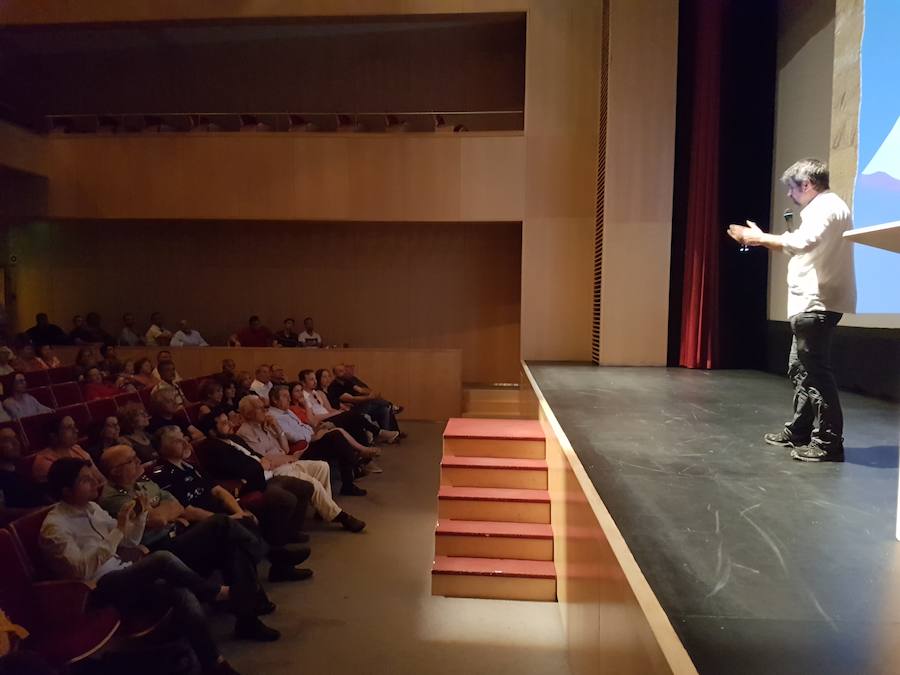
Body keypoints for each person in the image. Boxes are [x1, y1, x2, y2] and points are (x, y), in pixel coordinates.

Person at [39, 458, 243, 675]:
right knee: (162, 558)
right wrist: (118, 530)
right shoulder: (55, 527)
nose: (94, 482)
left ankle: (213, 662)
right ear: (66, 491)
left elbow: (130, 542)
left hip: (124, 572)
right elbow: (81, 570)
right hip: (96, 589)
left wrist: (139, 515)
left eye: (91, 477)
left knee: (181, 592)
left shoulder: (93, 508)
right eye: (84, 480)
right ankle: (213, 592)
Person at [728, 158, 856, 463]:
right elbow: (802, 244)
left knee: (815, 374)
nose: (789, 194)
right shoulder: (824, 208)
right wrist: (762, 239)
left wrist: (759, 238)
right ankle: (799, 431)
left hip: (817, 302)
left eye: (792, 188)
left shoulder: (826, 207)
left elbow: (802, 242)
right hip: (812, 303)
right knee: (800, 370)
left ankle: (828, 442)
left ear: (807, 184)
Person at [97, 445, 282, 641]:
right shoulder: (112, 498)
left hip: (177, 535)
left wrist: (164, 511)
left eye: (136, 457)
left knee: (232, 546)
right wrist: (164, 511)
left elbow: (177, 505)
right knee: (221, 523)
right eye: (131, 460)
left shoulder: (142, 481)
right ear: (115, 471)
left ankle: (248, 620)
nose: (138, 461)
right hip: (156, 552)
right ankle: (271, 559)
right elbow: (157, 519)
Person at [150, 426, 312, 581]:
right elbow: (186, 510)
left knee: (246, 519)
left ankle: (275, 566)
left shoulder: (189, 466)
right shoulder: (162, 473)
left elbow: (218, 491)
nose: (185, 443)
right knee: (237, 526)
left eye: (183, 438)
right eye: (177, 441)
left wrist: (238, 512)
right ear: (162, 449)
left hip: (216, 512)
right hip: (199, 522)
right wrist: (227, 519)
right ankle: (277, 559)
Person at [236, 395, 365, 532]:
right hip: (274, 470)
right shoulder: (245, 432)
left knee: (322, 466)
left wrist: (278, 429)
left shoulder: (265, 426)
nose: (265, 411)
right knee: (312, 482)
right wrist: (288, 457)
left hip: (286, 461)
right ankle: (339, 516)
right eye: (260, 408)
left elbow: (285, 448)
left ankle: (323, 509)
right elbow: (264, 458)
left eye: (265, 408)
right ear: (249, 413)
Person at [196, 411, 314, 547]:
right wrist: (260, 465)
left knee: (306, 487)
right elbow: (237, 468)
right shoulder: (211, 448)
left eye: (228, 420)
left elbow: (254, 454)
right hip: (252, 484)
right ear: (212, 431)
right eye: (224, 423)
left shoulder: (234, 438)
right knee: (286, 499)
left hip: (267, 473)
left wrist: (263, 461)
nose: (230, 424)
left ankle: (291, 532)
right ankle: (277, 545)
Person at [268, 384, 372, 494]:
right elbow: (293, 437)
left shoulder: (288, 411)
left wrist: (317, 431)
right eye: (285, 396)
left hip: (310, 440)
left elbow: (304, 426)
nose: (289, 399)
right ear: (275, 400)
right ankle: (356, 466)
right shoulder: (274, 416)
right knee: (335, 436)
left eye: (289, 396)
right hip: (300, 449)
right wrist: (314, 436)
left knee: (336, 432)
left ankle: (351, 476)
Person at [307, 370, 396, 445]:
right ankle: (378, 432)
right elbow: (328, 410)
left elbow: (335, 404)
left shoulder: (327, 391)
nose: (327, 379)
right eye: (324, 377)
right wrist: (339, 411)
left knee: (382, 409)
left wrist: (343, 406)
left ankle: (378, 435)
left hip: (339, 411)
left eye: (328, 376)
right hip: (331, 415)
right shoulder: (319, 393)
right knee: (362, 409)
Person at [32, 415, 106, 486]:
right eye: (69, 428)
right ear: (53, 436)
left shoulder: (76, 448)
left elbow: (100, 478)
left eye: (74, 426)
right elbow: (67, 491)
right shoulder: (44, 462)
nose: (76, 430)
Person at [328, 364, 402, 434]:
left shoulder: (347, 382)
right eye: (340, 371)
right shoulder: (335, 387)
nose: (344, 372)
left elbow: (361, 390)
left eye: (344, 370)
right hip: (350, 410)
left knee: (384, 409)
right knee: (369, 402)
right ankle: (391, 405)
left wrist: (371, 393)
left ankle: (387, 435)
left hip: (358, 406)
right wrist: (369, 397)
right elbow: (353, 399)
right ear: (335, 374)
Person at [0, 427, 48, 509]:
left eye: (15, 438)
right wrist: (38, 511)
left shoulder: (21, 472)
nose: (16, 443)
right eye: (7, 440)